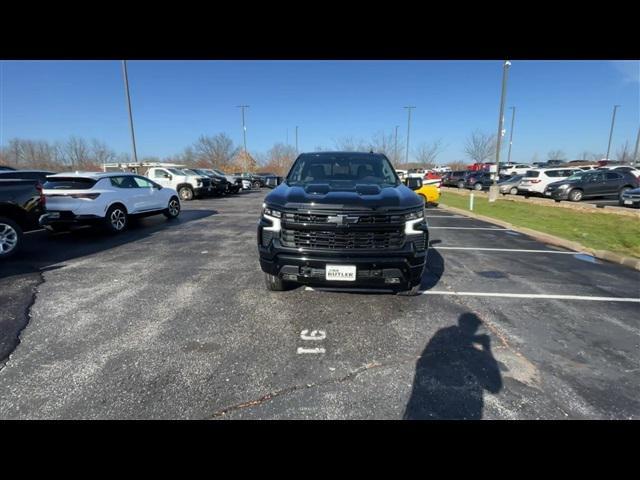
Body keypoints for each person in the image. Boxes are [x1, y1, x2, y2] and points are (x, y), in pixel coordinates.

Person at [403, 313, 503, 420]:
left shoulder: (441, 341)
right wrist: (486, 348)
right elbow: (495, 386)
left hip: (431, 406)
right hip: (460, 410)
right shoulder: (473, 355)